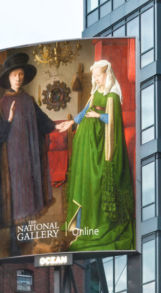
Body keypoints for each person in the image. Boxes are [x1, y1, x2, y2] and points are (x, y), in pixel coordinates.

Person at [0, 52, 60, 253]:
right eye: (14, 75)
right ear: (8, 78)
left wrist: (57, 126)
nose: (18, 78)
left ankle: (25, 238)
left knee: (26, 199)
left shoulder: (28, 100)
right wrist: (9, 120)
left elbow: (43, 121)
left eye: (20, 74)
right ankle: (13, 243)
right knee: (13, 202)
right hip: (10, 163)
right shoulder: (1, 105)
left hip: (27, 159)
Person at [58, 59, 135, 252]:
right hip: (88, 145)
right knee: (85, 181)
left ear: (106, 75)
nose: (96, 80)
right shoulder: (95, 93)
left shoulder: (112, 96)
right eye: (94, 77)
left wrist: (98, 116)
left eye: (98, 76)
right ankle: (82, 228)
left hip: (101, 147)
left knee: (96, 182)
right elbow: (85, 111)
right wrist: (72, 122)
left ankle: (97, 226)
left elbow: (114, 121)